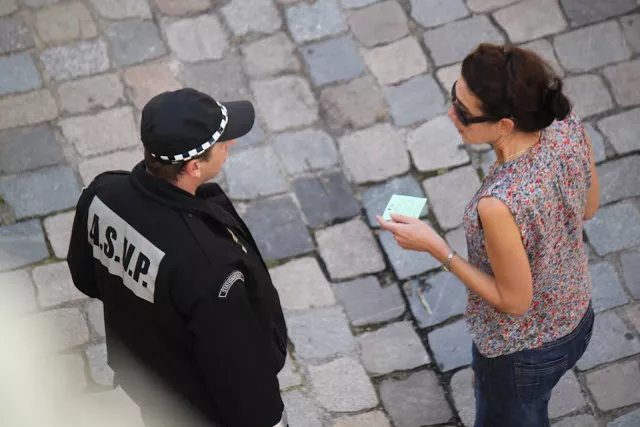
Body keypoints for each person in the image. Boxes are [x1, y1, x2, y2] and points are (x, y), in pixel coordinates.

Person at [378, 43, 599, 427]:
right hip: (577, 316)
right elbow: (588, 207)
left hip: (522, 352)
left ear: (505, 125)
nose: (451, 113)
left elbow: (514, 302)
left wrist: (436, 248)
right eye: (454, 96)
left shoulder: (498, 205)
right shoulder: (564, 125)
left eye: (464, 113)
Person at [67, 88, 289, 427]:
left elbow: (85, 276)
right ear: (194, 166)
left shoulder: (102, 193)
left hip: (146, 380)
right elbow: (240, 375)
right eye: (223, 144)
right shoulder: (210, 269)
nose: (230, 145)